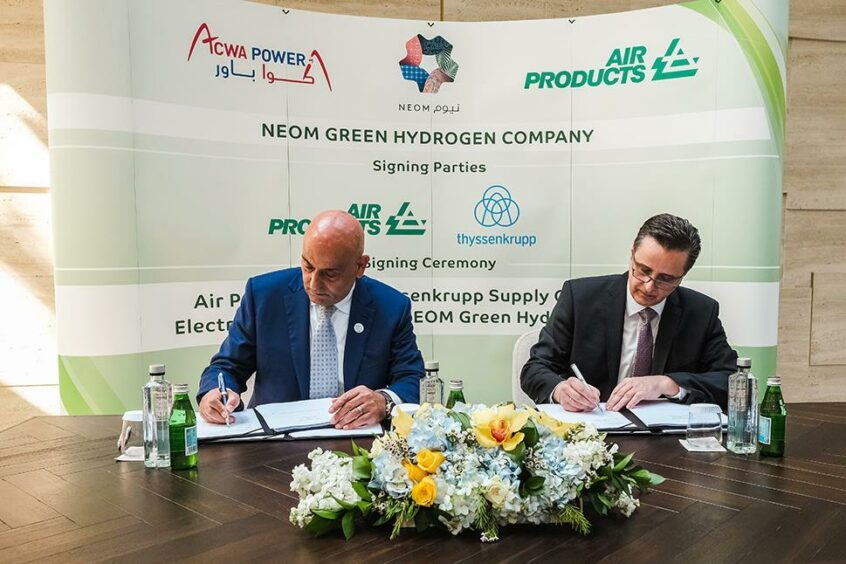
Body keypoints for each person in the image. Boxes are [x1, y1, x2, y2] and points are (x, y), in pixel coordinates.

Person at [198, 210, 424, 429]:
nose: (314, 284)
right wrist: (217, 392)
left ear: (360, 266)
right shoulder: (264, 296)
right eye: (308, 266)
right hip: (273, 445)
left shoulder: (391, 307)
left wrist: (383, 401)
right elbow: (227, 366)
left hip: (356, 440)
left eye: (330, 274)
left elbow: (412, 379)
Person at [521, 213, 736, 412]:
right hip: (591, 432)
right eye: (643, 270)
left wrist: (667, 383)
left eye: (666, 279)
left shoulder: (700, 312)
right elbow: (536, 368)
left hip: (667, 442)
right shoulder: (580, 298)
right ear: (632, 254)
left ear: (683, 275)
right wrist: (560, 390)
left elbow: (731, 381)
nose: (649, 286)